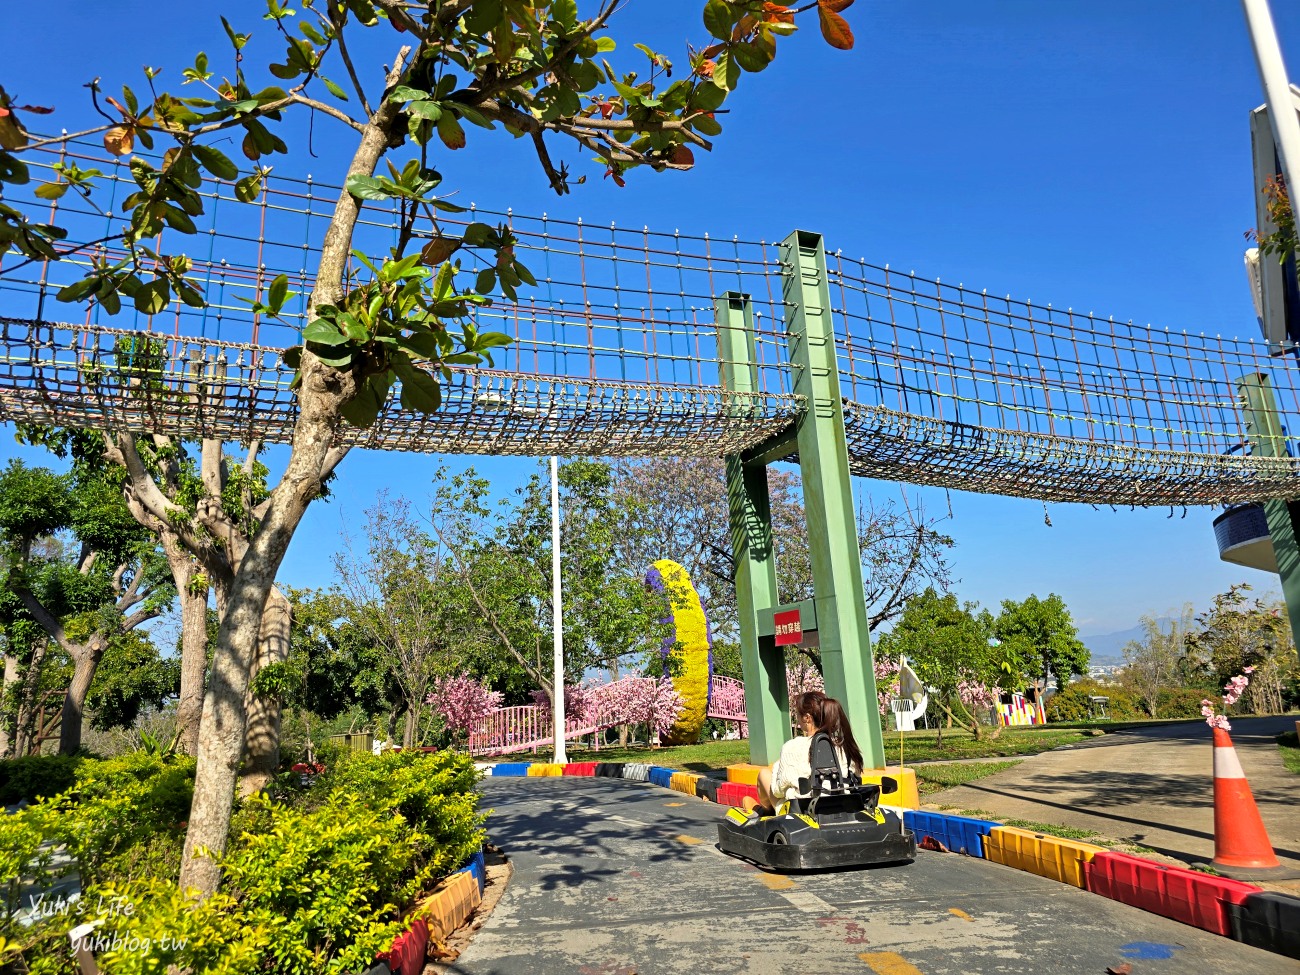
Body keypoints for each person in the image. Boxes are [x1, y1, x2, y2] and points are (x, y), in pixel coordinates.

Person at [751, 690, 864, 815]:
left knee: (763, 775)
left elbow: (778, 790)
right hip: (841, 804)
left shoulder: (792, 746)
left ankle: (767, 812)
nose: (797, 719)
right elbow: (856, 777)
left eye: (798, 715)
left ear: (807, 718)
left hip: (802, 812)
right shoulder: (843, 745)